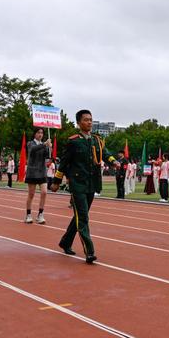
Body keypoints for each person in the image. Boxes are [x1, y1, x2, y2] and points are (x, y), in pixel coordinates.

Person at [50, 109, 118, 263]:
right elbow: (64, 163)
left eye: (91, 120)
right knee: (84, 217)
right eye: (86, 120)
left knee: (80, 216)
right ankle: (89, 251)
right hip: (77, 184)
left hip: (92, 184)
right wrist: (56, 181)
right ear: (79, 123)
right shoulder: (73, 141)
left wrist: (113, 161)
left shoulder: (97, 140)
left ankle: (65, 242)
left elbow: (105, 153)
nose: (89, 122)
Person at [24, 127, 51, 224]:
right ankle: (28, 214)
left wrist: (49, 147)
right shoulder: (30, 143)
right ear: (35, 134)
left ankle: (40, 214)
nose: (40, 135)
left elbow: (47, 156)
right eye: (38, 132)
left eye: (42, 133)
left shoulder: (44, 145)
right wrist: (44, 144)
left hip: (42, 172)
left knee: (44, 192)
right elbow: (33, 150)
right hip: (32, 172)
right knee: (31, 194)